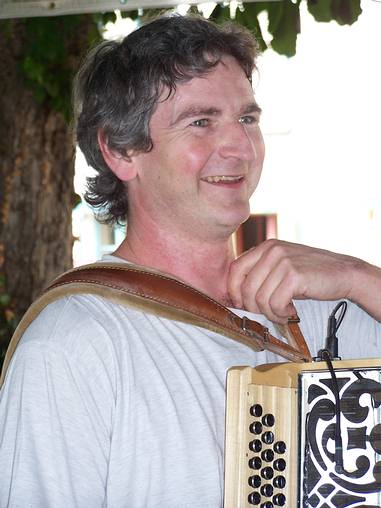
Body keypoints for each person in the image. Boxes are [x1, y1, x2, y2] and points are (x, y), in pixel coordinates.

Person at [0, 14, 381, 508]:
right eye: (200, 121)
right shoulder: (73, 347)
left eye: (247, 118)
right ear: (120, 150)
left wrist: (361, 277)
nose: (241, 147)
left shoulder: (326, 307)